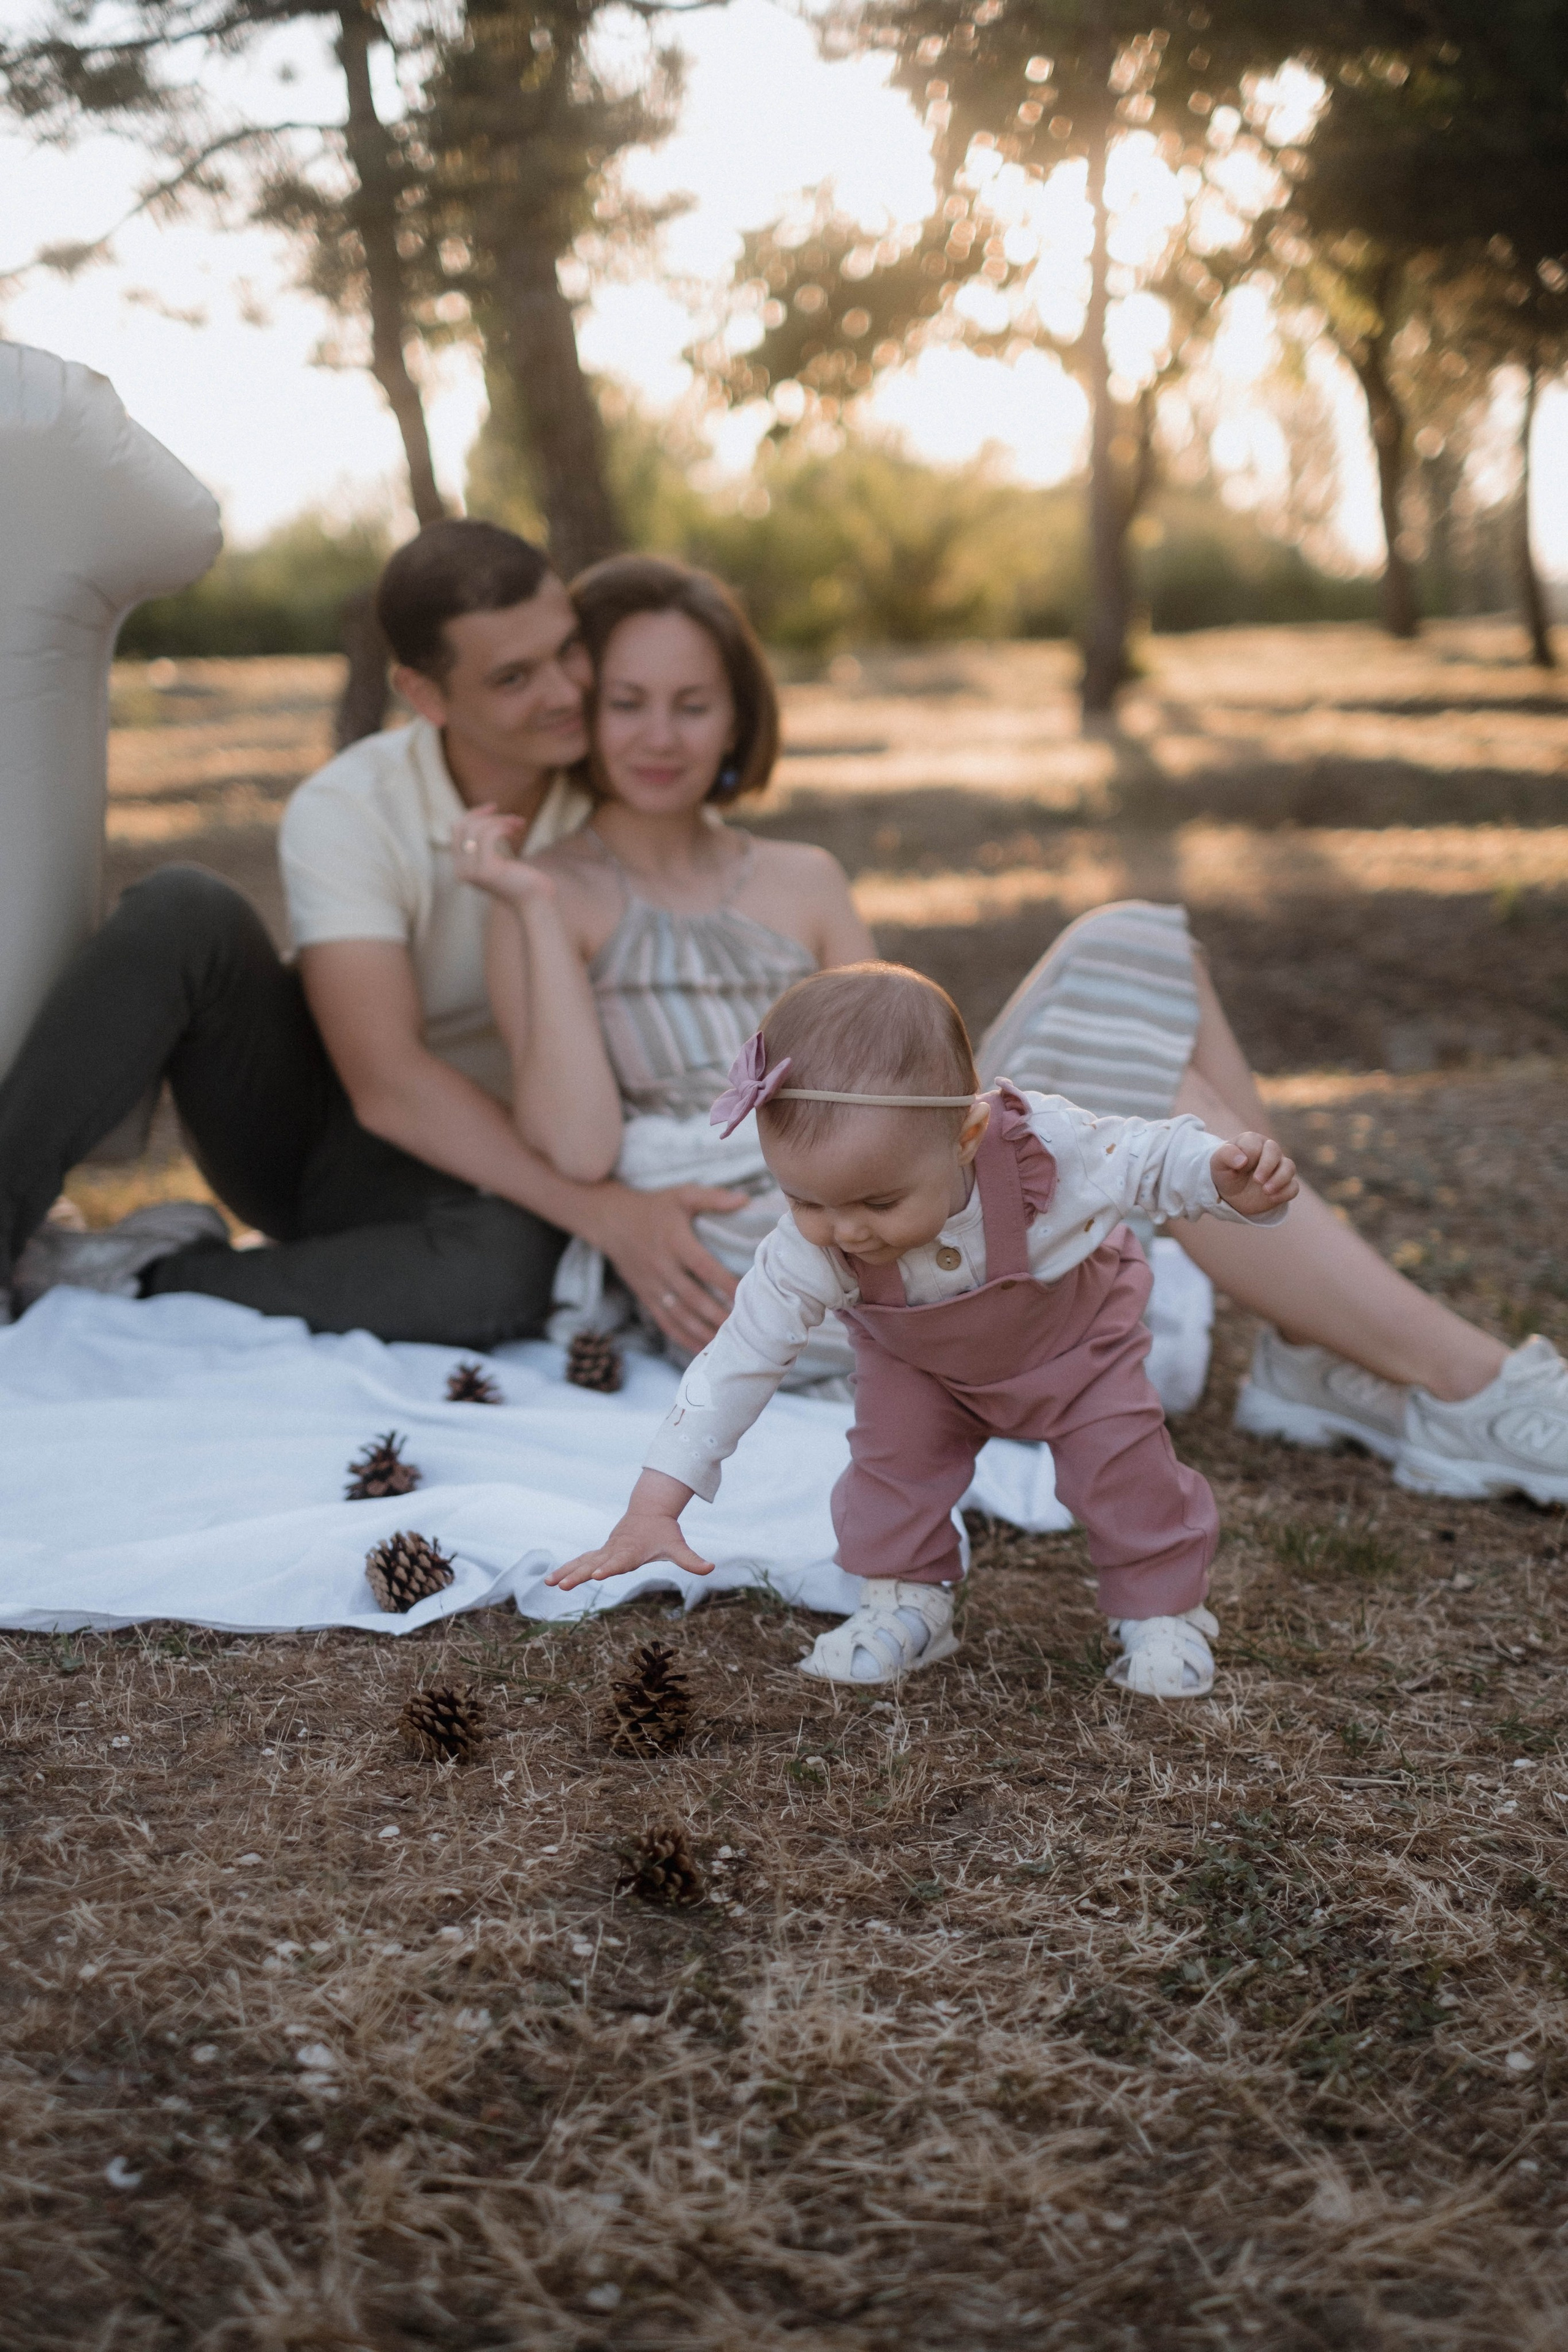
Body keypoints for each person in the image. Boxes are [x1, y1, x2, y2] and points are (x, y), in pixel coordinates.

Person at [457, 551, 1568, 1507]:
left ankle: (1335, 1343)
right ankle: (1461, 1384)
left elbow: (905, 1063)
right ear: (584, 714)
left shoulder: (802, 878)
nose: (660, 735)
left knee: (1143, 948)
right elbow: (575, 1148)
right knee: (1122, 1061)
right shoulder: (545, 893)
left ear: (739, 712)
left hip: (898, 1166)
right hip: (779, 1232)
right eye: (629, 702)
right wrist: (537, 919)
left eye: (692, 703)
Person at [0, 521, 755, 1348]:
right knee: (187, 909)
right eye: (513, 678)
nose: (566, 691)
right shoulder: (353, 806)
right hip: (325, 1136)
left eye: (568, 649)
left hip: (515, 1167)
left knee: (506, 1272)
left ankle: (138, 1279)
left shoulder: (624, 784)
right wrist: (604, 1216)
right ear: (426, 696)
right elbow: (388, 1083)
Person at [543, 964, 1298, 1697]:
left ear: (967, 1134)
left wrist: (1222, 1178)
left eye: (878, 1203)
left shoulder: (1048, 1148)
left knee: (1122, 1469)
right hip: (921, 1370)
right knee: (889, 1472)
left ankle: (1161, 1612)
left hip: (1076, 1349)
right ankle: (906, 1601)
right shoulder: (812, 1248)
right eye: (807, 1200)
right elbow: (738, 1360)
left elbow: (1146, 1156)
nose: (844, 1231)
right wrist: (655, 1504)